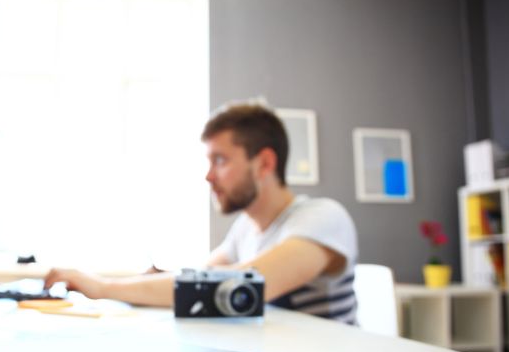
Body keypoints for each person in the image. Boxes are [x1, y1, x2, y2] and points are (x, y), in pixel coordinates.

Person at [44, 102, 358, 323]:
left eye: (220, 160)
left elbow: (239, 283)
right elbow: (199, 276)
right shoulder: (245, 229)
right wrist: (149, 279)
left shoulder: (323, 217)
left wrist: (102, 287)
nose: (209, 176)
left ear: (264, 163)